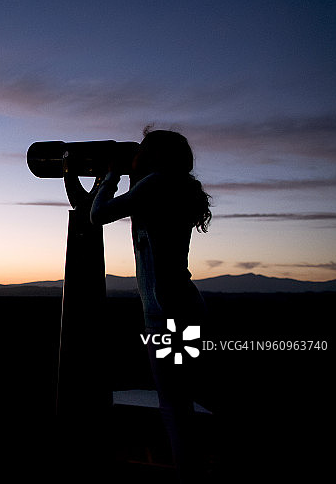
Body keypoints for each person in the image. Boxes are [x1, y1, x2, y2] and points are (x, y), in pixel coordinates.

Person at [81, 127, 212, 483]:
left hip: (167, 314)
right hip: (182, 307)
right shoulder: (172, 184)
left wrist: (109, 175)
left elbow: (98, 215)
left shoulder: (156, 184)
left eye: (140, 149)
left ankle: (189, 475)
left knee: (173, 403)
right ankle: (193, 467)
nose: (133, 154)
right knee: (179, 399)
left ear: (155, 155)